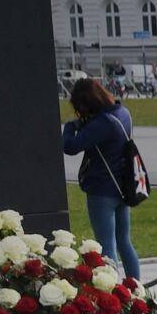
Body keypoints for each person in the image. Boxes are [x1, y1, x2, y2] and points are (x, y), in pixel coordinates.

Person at [60, 78, 141, 281]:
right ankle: (136, 288)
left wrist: (71, 126)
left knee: (106, 246)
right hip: (123, 186)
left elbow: (70, 146)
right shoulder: (123, 113)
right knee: (124, 241)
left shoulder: (101, 124)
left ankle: (114, 292)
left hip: (102, 191)